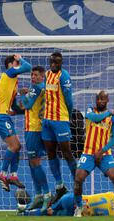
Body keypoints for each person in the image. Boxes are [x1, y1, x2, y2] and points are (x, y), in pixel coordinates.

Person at [73, 91, 114, 217]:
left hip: (105, 153)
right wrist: (109, 112)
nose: (101, 101)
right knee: (78, 178)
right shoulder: (90, 110)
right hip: (88, 152)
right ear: (96, 100)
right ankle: (79, 207)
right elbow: (95, 119)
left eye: (104, 99)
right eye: (99, 99)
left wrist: (101, 151)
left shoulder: (113, 118)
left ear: (108, 100)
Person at [0, 54, 32, 192]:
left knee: (17, 146)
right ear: (10, 64)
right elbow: (28, 67)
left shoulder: (13, 83)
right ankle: (2, 174)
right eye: (16, 62)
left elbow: (14, 107)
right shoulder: (9, 73)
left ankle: (13, 176)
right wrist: (20, 58)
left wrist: (25, 105)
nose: (18, 64)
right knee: (14, 146)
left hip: (5, 116)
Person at [42, 52, 77, 204]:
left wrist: (69, 116)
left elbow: (69, 99)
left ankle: (78, 182)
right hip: (47, 121)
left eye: (57, 61)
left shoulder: (64, 76)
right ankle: (59, 186)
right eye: (52, 61)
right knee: (50, 152)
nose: (54, 64)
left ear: (61, 62)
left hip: (61, 119)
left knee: (67, 151)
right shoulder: (47, 74)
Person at [19, 65, 51, 211]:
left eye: (36, 75)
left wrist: (22, 94)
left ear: (42, 76)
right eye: (32, 75)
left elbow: (25, 104)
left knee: (36, 162)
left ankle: (46, 194)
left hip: (35, 129)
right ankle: (38, 195)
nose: (33, 77)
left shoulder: (37, 88)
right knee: (32, 162)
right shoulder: (42, 88)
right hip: (33, 127)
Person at [22, 191, 114, 217]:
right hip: (77, 212)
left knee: (49, 208)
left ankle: (25, 207)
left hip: (71, 199)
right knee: (50, 213)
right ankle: (25, 214)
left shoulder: (111, 194)